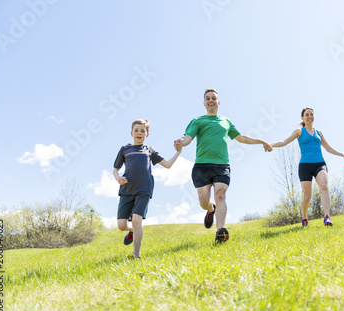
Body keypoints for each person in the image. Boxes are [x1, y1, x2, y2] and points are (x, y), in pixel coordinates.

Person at [174, 88, 272, 244]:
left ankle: (220, 231)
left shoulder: (226, 121)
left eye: (214, 98)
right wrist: (181, 142)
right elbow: (188, 138)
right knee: (203, 201)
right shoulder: (198, 121)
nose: (211, 100)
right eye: (208, 98)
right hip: (202, 166)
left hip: (222, 165)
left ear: (218, 102)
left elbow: (242, 138)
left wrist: (262, 141)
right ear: (204, 103)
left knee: (220, 194)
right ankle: (210, 209)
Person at [271, 107, 344, 227]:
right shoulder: (299, 131)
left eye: (311, 114)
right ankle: (304, 217)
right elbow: (284, 142)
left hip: (320, 163)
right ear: (302, 118)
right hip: (305, 166)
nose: (309, 116)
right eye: (307, 114)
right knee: (307, 196)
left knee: (324, 186)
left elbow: (328, 148)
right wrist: (271, 145)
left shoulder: (319, 133)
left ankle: (327, 216)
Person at [114, 119, 181, 259]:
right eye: (137, 130)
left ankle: (135, 255)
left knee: (137, 221)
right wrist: (118, 178)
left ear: (147, 134)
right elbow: (115, 169)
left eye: (143, 131)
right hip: (127, 189)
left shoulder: (149, 150)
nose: (139, 133)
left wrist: (178, 152)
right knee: (121, 225)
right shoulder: (125, 149)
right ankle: (133, 230)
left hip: (144, 190)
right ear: (131, 133)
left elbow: (167, 165)